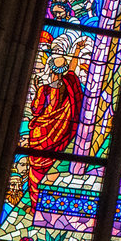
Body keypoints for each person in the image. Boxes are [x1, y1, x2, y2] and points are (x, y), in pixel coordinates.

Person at [24, 34, 83, 197]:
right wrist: (77, 50)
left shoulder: (44, 89)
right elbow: (72, 69)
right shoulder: (69, 86)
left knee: (35, 171)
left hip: (40, 135)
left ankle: (34, 199)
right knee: (52, 165)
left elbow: (36, 110)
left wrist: (36, 90)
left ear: (50, 70)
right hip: (60, 133)